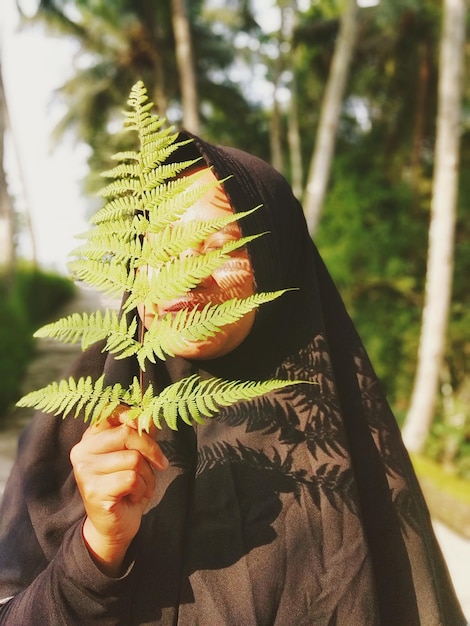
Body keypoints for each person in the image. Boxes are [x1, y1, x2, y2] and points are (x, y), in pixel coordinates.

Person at [0, 133, 466, 626]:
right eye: (159, 245)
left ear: (275, 263)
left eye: (218, 246)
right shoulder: (76, 429)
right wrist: (97, 549)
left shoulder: (340, 443)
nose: (183, 272)